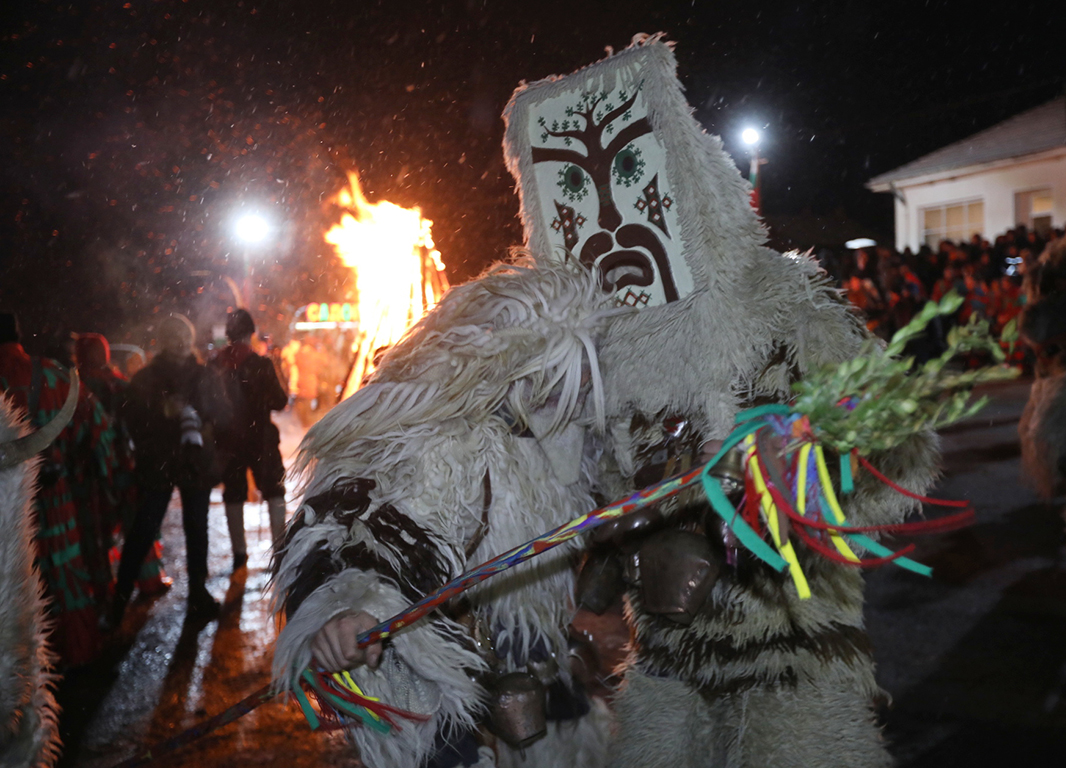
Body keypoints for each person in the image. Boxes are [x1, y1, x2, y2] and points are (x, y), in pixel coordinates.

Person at [0, 312, 118, 668]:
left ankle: (25, 669)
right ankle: (76, 655)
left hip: (7, 508)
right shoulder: (53, 374)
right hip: (57, 498)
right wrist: (95, 473)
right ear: (19, 334)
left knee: (14, 580)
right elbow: (99, 429)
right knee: (66, 575)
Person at [111, 315, 229, 624]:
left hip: (191, 463)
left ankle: (197, 594)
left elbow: (222, 414)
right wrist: (161, 412)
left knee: (195, 530)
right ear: (164, 341)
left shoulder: (204, 375)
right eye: (174, 336)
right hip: (160, 463)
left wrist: (199, 419)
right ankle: (119, 600)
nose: (180, 342)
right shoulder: (148, 378)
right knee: (144, 530)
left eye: (184, 335)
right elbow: (130, 418)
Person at [75, 333, 171, 597]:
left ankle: (102, 588)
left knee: (96, 531)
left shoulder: (74, 388)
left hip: (90, 471)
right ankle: (149, 580)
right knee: (137, 526)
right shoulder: (120, 385)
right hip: (125, 466)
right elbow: (138, 426)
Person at [209, 309, 290, 568]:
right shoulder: (261, 364)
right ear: (251, 333)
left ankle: (239, 555)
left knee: (233, 494)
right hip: (261, 439)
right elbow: (279, 401)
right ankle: (280, 550)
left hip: (228, 442)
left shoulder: (215, 365)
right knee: (274, 490)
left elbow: (206, 405)